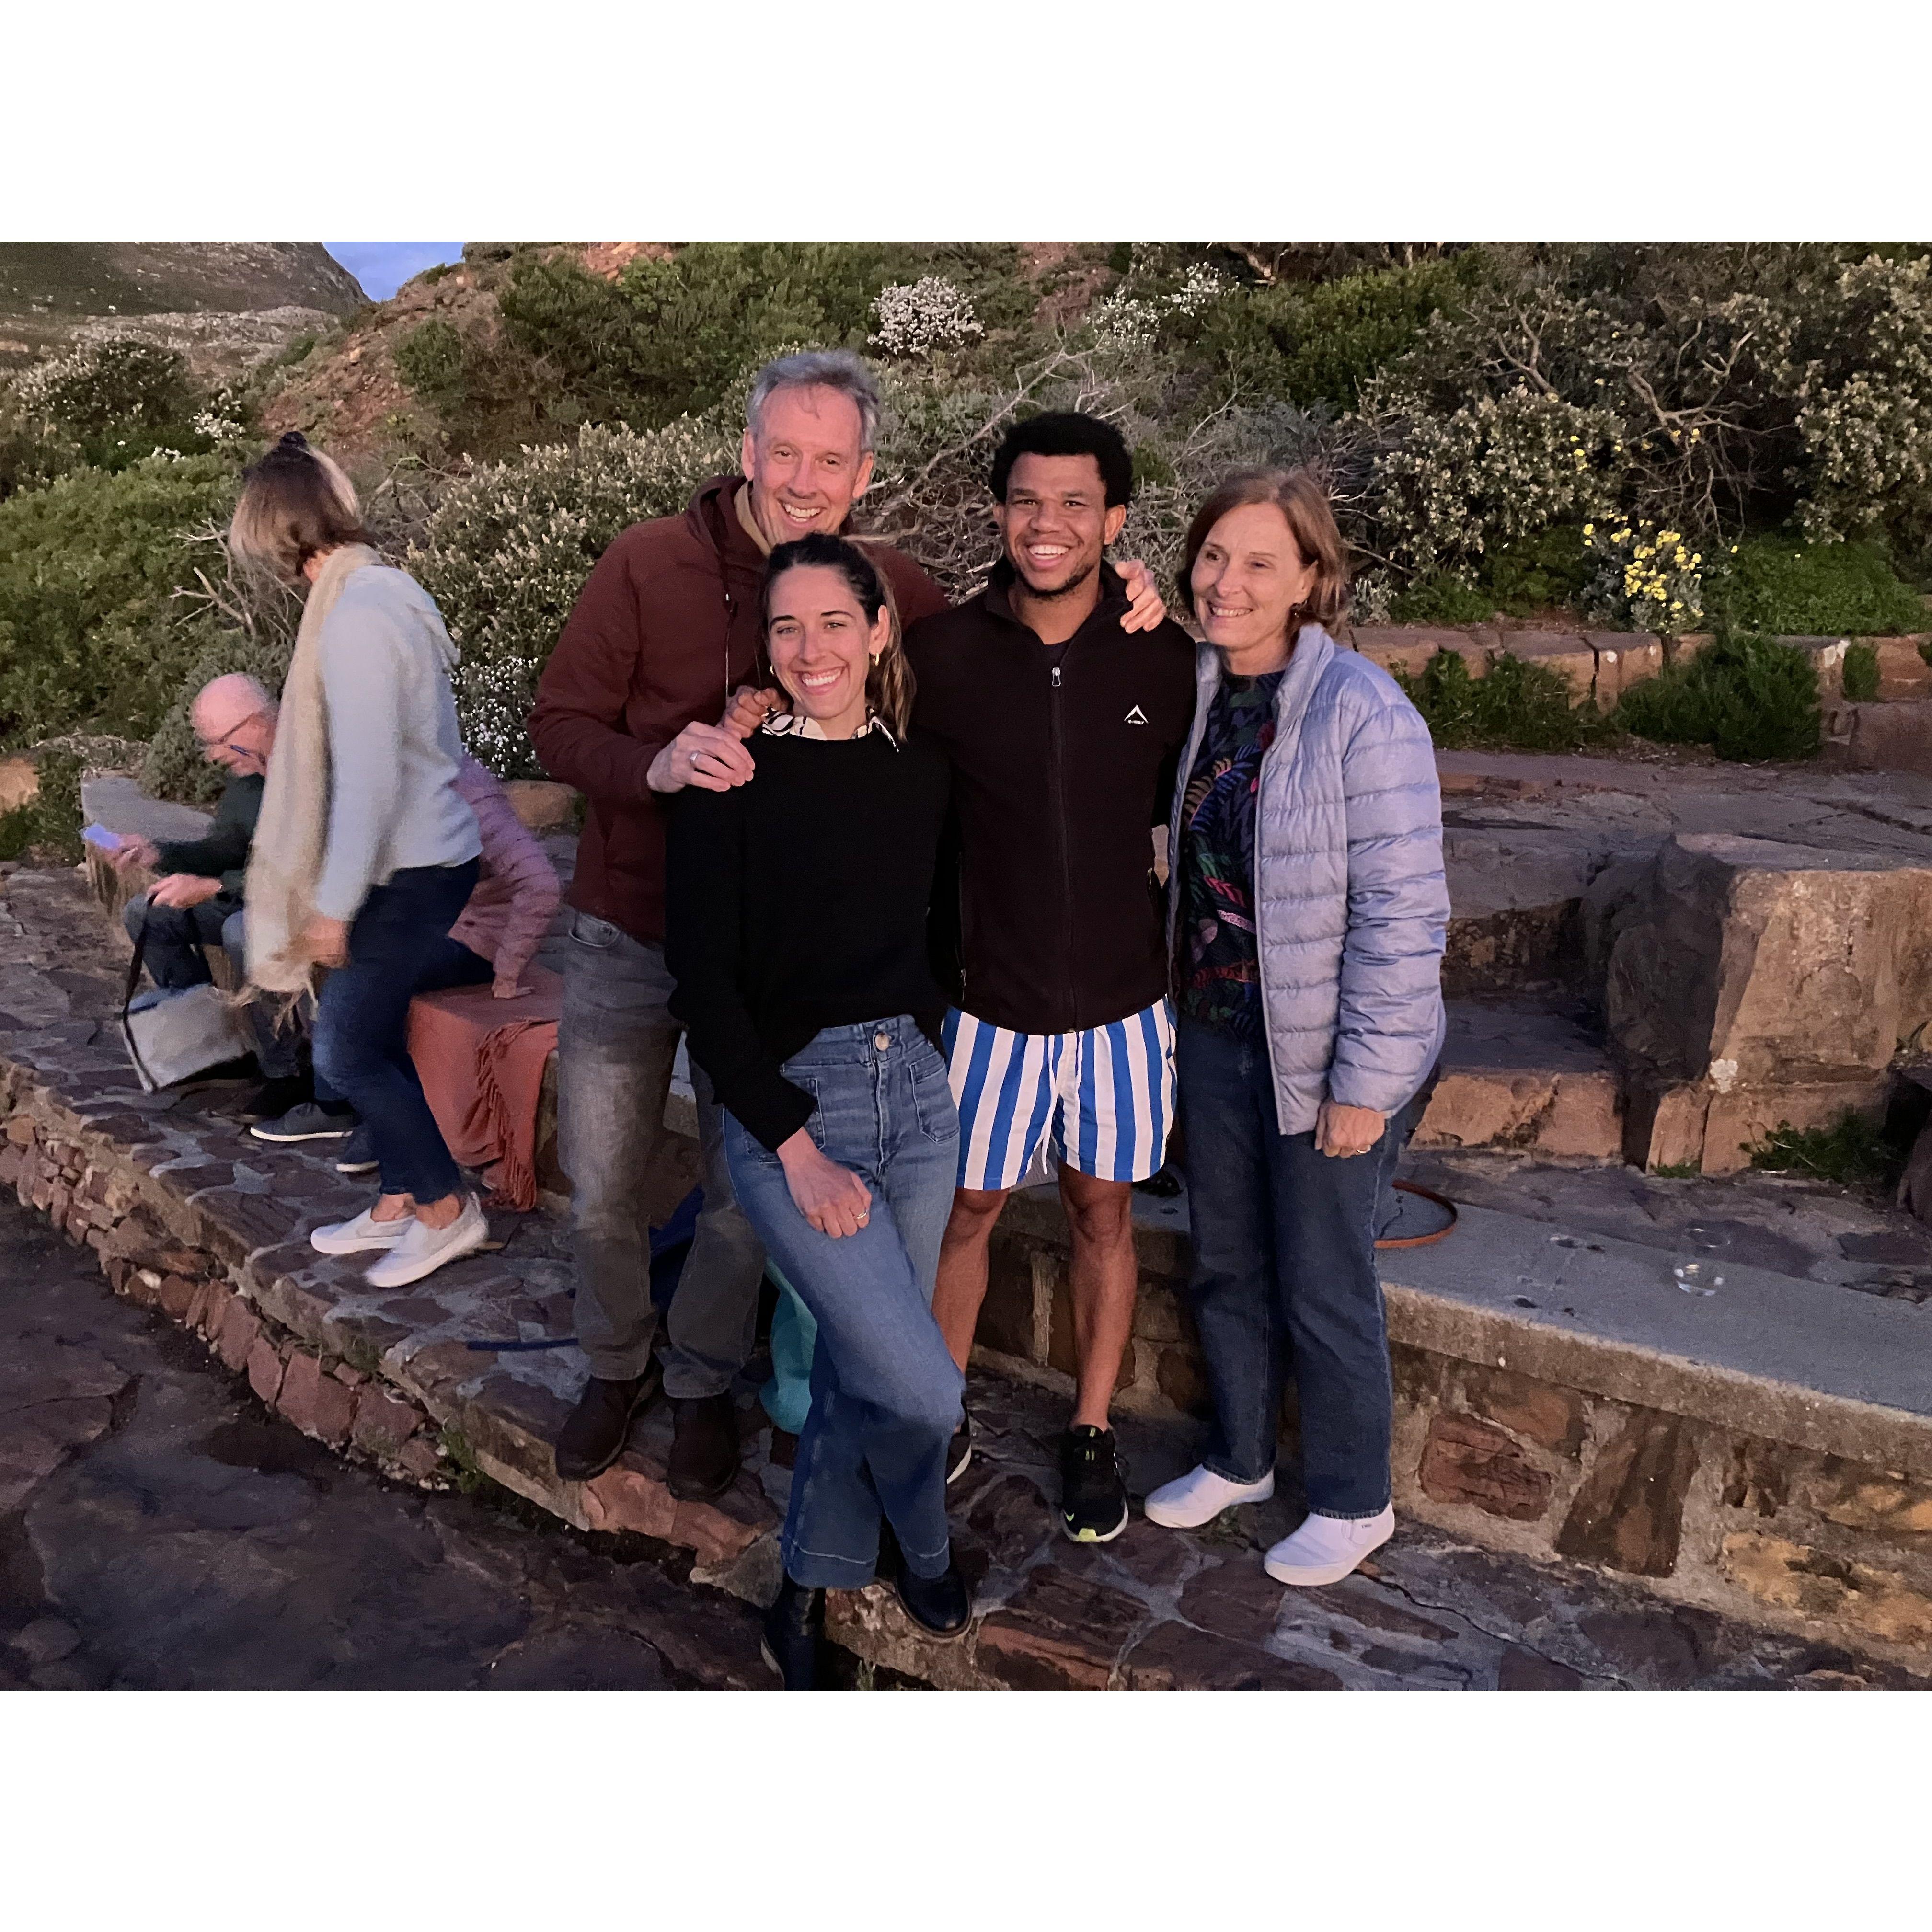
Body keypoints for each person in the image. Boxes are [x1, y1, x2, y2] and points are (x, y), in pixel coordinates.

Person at [529, 349, 1169, 1498]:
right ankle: (616, 1366)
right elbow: (559, 722)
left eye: (830, 461)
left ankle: (699, 1383)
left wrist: (1126, 591)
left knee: (743, 1201)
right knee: (604, 1182)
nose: (803, 479)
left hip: (777, 969)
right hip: (632, 925)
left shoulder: (892, 587)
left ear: (865, 475)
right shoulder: (646, 563)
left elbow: (1010, 627)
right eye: (785, 452)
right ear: (747, 452)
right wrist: (655, 765)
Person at [666, 533, 966, 1688]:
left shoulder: (922, 772)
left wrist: (928, 1046)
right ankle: (922, 1539)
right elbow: (704, 992)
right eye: (786, 627)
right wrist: (793, 1146)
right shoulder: (729, 782)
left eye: (835, 622)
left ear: (879, 630)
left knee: (859, 1356)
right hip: (795, 1108)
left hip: (918, 1099)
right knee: (923, 1383)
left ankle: (807, 1582)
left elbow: (939, 937)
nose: (811, 648)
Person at [1141, 469, 1447, 1587]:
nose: (1227, 582)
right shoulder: (1196, 692)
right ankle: (1240, 1458)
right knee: (1225, 1259)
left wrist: (1366, 1082)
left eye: (1261, 562)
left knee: (1322, 1275)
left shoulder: (1364, 710)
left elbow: (1405, 913)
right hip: (1218, 1029)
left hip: (1326, 1048)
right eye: (1214, 556)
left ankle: (1356, 1500)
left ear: (1313, 578)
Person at [907, 412, 1197, 1544]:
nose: (1048, 524)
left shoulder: (1164, 660)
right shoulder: (940, 656)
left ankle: (1089, 1430)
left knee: (1102, 1213)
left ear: (1115, 521)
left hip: (1124, 1007)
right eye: (1028, 500)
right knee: (966, 1212)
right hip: (987, 1006)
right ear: (997, 511)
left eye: (1076, 503)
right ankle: (935, 1411)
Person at [230, 431, 490, 1289]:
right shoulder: (380, 594)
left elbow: (371, 781)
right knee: (367, 1035)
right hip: (421, 859)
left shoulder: (355, 621)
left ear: (275, 532)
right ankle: (399, 1199)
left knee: (343, 1053)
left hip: (410, 868)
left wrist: (333, 906)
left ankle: (446, 1209)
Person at [248, 752, 563, 1174]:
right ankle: (333, 1104)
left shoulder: (471, 799)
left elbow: (542, 883)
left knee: (372, 976)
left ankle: (379, 1121)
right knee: (324, 952)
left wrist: (508, 969)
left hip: (473, 937)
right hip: (422, 922)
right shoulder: (386, 783)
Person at [112, 674, 307, 1119]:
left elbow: (304, 873)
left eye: (218, 742)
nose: (213, 755)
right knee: (147, 914)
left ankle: (289, 1073)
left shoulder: (311, 769)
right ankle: (215, 1047)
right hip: (248, 895)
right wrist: (159, 853)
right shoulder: (247, 779)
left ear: (256, 723)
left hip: (302, 907)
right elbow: (225, 850)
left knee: (243, 931)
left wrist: (215, 888)